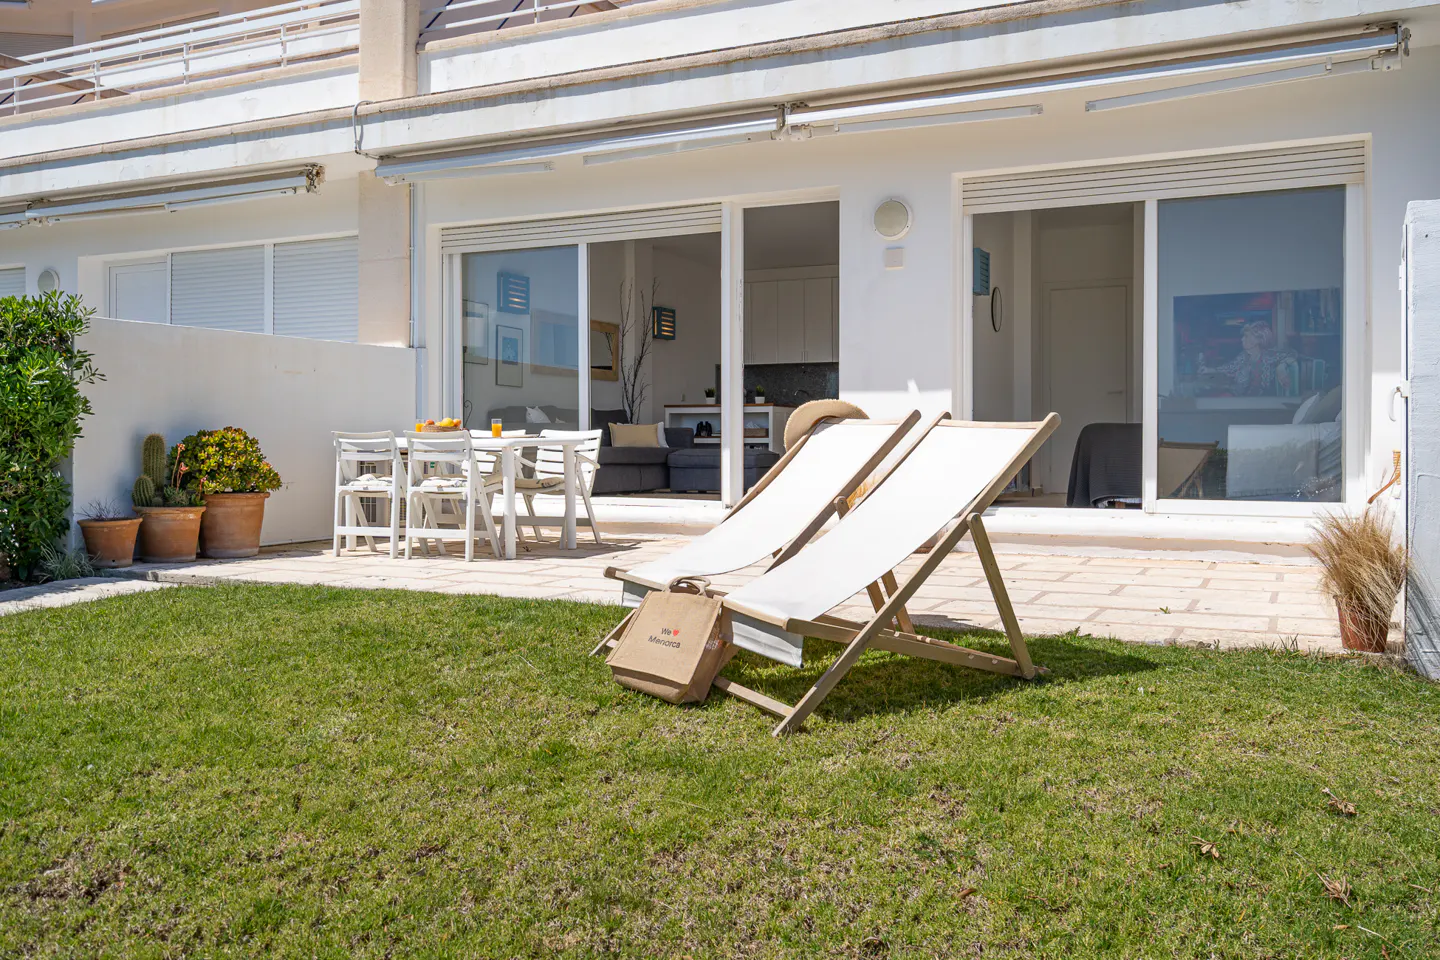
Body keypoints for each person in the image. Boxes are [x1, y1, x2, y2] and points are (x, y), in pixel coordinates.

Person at [1200, 320, 1294, 396]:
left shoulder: (1269, 356)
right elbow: (1229, 368)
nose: (1242, 339)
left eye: (1246, 336)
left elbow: (1292, 354)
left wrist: (1281, 367)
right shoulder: (1243, 356)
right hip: (1243, 399)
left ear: (1257, 340)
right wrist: (1208, 370)